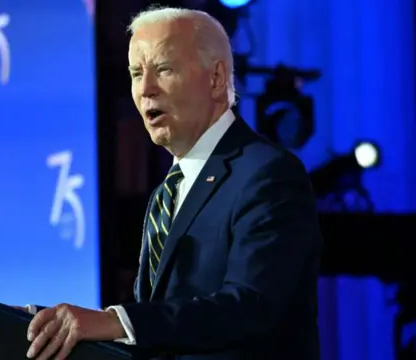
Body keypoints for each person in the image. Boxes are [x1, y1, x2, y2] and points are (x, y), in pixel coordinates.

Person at [21, 7, 323, 360]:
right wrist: (50, 324)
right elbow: (160, 321)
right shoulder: (166, 193)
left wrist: (117, 321)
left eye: (163, 69)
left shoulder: (267, 174)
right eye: (136, 73)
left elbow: (251, 306)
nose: (145, 89)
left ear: (215, 78)